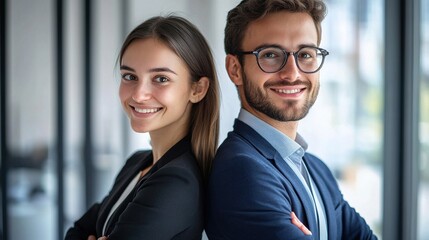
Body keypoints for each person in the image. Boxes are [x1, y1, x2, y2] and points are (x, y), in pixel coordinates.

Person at [205, 0, 378, 239]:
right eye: (270, 55)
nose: (292, 73)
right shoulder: (242, 170)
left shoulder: (317, 170)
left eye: (305, 54)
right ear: (235, 69)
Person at [65, 15, 220, 240]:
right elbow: (76, 231)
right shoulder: (137, 163)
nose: (138, 94)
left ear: (197, 89)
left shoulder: (177, 181)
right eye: (129, 76)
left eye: (161, 79)